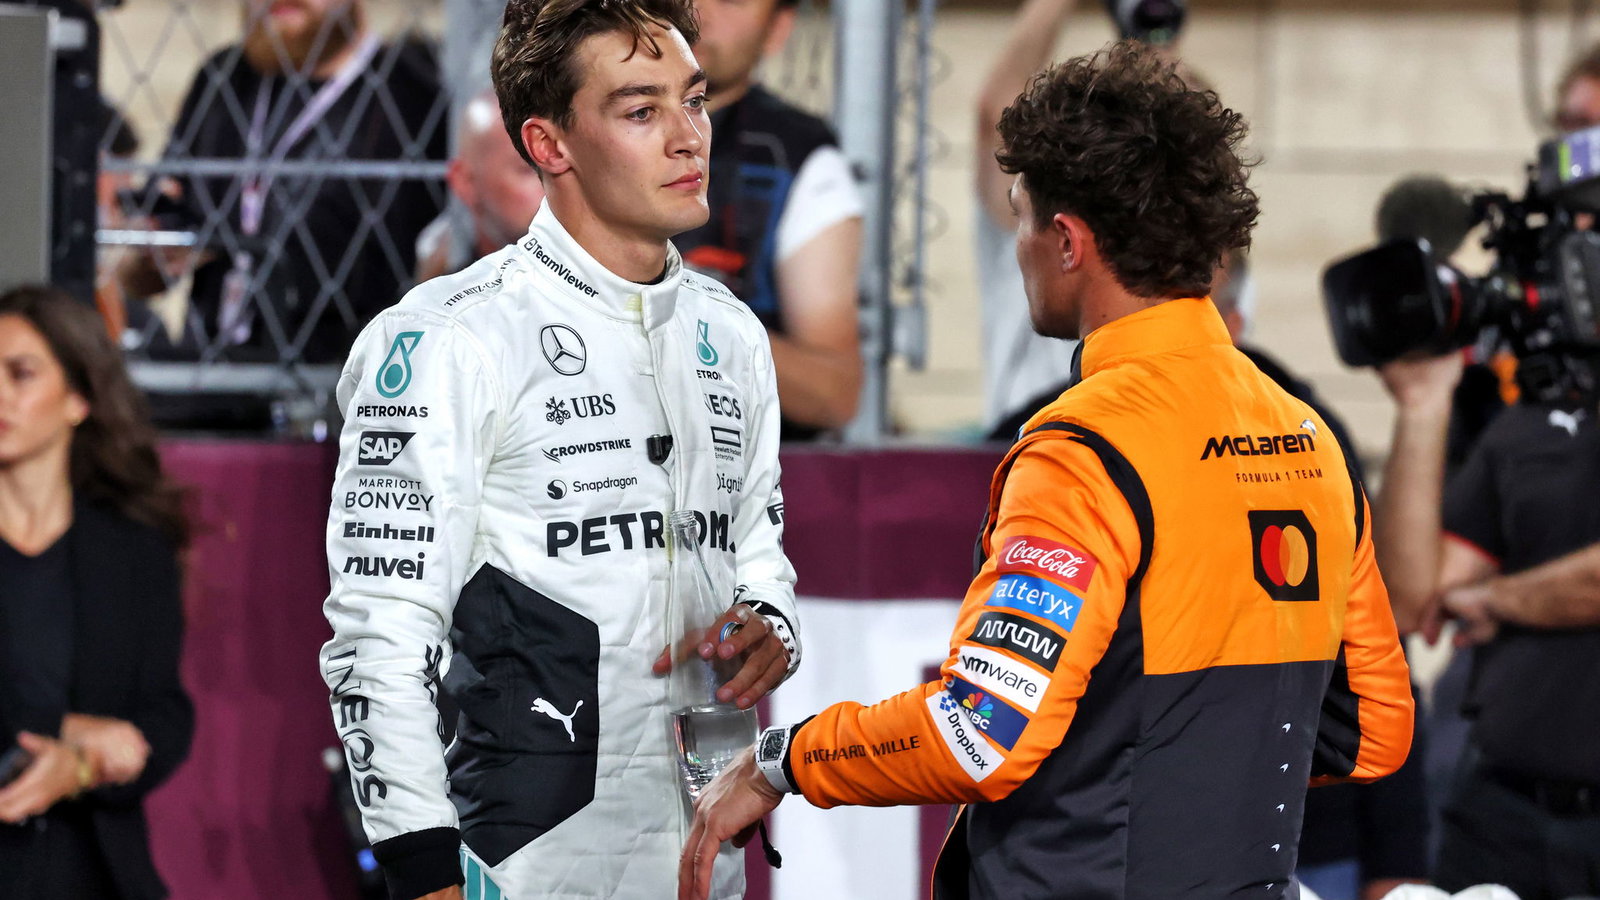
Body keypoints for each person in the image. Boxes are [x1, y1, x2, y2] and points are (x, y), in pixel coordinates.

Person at [681, 42, 1415, 900]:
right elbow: (1373, 732)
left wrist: (783, 759)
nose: (1019, 244)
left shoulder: (1085, 449)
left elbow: (979, 735)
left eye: (1022, 217)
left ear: (1067, 240)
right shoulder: (1309, 437)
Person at [319, 1, 800, 898]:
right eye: (640, 110)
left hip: (707, 859)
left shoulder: (731, 335)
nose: (689, 137)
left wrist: (772, 621)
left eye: (693, 101)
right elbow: (376, 639)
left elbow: (757, 545)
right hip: (513, 865)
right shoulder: (444, 340)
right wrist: (426, 871)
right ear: (549, 145)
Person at [1208, 254, 1431, 900]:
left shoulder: (1307, 438)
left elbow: (1375, 653)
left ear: (1237, 320)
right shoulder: (1073, 428)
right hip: (1142, 835)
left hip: (1312, 838)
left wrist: (1399, 867)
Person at [1375, 353, 1600, 899]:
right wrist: (1423, 404)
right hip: (1503, 808)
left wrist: (1499, 599)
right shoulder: (1531, 421)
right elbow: (1407, 599)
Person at [118, 0, 447, 365]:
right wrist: (154, 248)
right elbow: (140, 272)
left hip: (354, 376)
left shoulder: (416, 95)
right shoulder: (224, 77)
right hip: (213, 372)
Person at [0, 285, 194, 899]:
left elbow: (164, 715)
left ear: (77, 399)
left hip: (94, 869)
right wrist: (60, 731)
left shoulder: (133, 549)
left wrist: (83, 769)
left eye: (21, 374)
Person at [678, 0, 863, 440]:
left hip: (736, 475)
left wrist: (682, 306)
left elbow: (835, 394)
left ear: (778, 28)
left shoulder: (798, 159)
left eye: (733, 1)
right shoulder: (580, 117)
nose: (698, 11)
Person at [414, 90, 548, 283]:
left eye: (564, 165)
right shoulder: (436, 307)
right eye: (528, 169)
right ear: (465, 182)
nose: (556, 188)